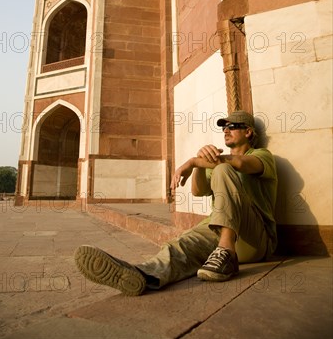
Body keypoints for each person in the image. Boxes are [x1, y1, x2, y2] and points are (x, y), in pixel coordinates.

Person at [75, 110, 278, 296]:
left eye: (232, 127)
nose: (226, 130)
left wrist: (192, 162)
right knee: (181, 245)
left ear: (248, 132)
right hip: (220, 229)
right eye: (223, 127)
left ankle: (226, 252)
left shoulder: (261, 155)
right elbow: (198, 191)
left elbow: (241, 164)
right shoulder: (215, 163)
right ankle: (144, 275)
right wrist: (199, 162)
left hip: (255, 240)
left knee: (223, 170)